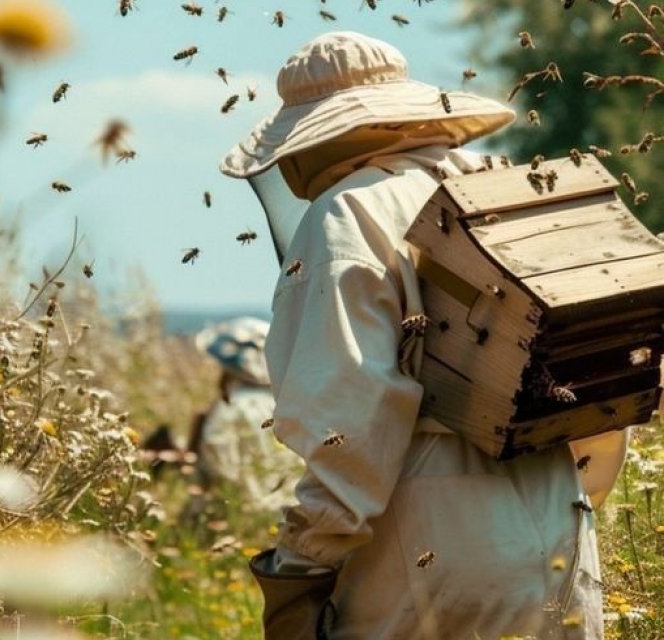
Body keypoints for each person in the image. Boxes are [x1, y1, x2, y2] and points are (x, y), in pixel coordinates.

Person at [219, 31, 629, 640]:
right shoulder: (510, 189)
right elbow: (604, 389)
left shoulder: (348, 215)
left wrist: (300, 567)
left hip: (426, 560)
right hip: (561, 545)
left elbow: (347, 432)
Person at [191, 316, 301, 511]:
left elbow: (221, 474)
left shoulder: (231, 409)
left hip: (243, 515)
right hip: (292, 511)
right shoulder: (290, 405)